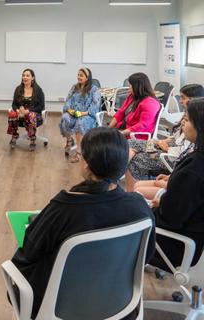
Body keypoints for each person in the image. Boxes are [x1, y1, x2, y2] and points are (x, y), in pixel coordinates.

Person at [11, 127, 155, 319]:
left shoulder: (63, 208)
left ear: (86, 164)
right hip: (117, 301)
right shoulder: (140, 207)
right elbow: (145, 256)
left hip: (59, 305)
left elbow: (28, 252)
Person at [151, 98, 204, 270]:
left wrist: (159, 204)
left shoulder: (194, 171)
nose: (182, 123)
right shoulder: (196, 160)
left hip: (172, 244)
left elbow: (170, 219)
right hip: (191, 238)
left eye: (187, 120)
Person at [127, 84, 204, 194]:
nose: (180, 101)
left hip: (171, 156)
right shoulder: (189, 117)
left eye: (183, 97)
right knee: (131, 143)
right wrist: (164, 141)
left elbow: (183, 151)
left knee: (136, 158)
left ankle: (120, 181)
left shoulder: (195, 155)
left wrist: (166, 148)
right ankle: (120, 181)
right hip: (171, 150)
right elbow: (178, 137)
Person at [59, 67, 101, 162]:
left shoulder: (94, 90)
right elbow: (68, 100)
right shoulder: (74, 87)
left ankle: (78, 152)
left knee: (80, 122)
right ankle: (69, 140)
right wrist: (70, 111)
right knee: (65, 117)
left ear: (87, 77)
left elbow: (95, 106)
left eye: (81, 75)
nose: (78, 77)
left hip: (87, 115)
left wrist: (82, 113)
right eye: (78, 75)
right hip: (74, 113)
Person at [109, 72, 161, 141]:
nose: (128, 88)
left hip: (136, 136)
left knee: (103, 143)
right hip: (125, 130)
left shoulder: (150, 103)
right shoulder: (132, 96)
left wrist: (121, 134)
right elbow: (120, 113)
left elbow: (142, 125)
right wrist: (108, 129)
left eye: (130, 85)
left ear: (137, 87)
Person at [7, 69, 45, 151]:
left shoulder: (38, 90)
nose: (25, 77)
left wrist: (29, 110)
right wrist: (17, 110)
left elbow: (41, 107)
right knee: (12, 114)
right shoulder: (18, 89)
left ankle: (32, 138)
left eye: (27, 76)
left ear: (33, 78)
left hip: (34, 115)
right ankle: (14, 135)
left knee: (30, 115)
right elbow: (14, 104)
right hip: (20, 114)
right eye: (23, 75)